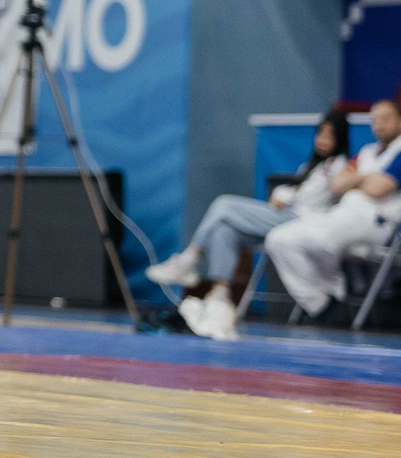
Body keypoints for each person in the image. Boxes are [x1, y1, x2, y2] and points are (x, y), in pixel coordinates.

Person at [147, 109, 348, 338]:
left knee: (224, 205)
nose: (323, 140)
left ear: (340, 139)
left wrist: (287, 197)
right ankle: (220, 297)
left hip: (300, 222)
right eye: (320, 133)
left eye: (330, 135)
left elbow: (322, 197)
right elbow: (299, 191)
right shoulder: (311, 166)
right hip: (284, 217)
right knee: (224, 230)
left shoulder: (340, 166)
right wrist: (283, 194)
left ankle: (188, 259)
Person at [261, 98, 401, 320]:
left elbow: (378, 189)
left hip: (376, 223)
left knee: (322, 241)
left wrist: (356, 180)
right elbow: (337, 184)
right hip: (343, 213)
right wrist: (368, 177)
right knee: (278, 239)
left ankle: (333, 285)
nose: (380, 125)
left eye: (386, 119)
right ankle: (319, 302)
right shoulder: (366, 152)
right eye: (375, 120)